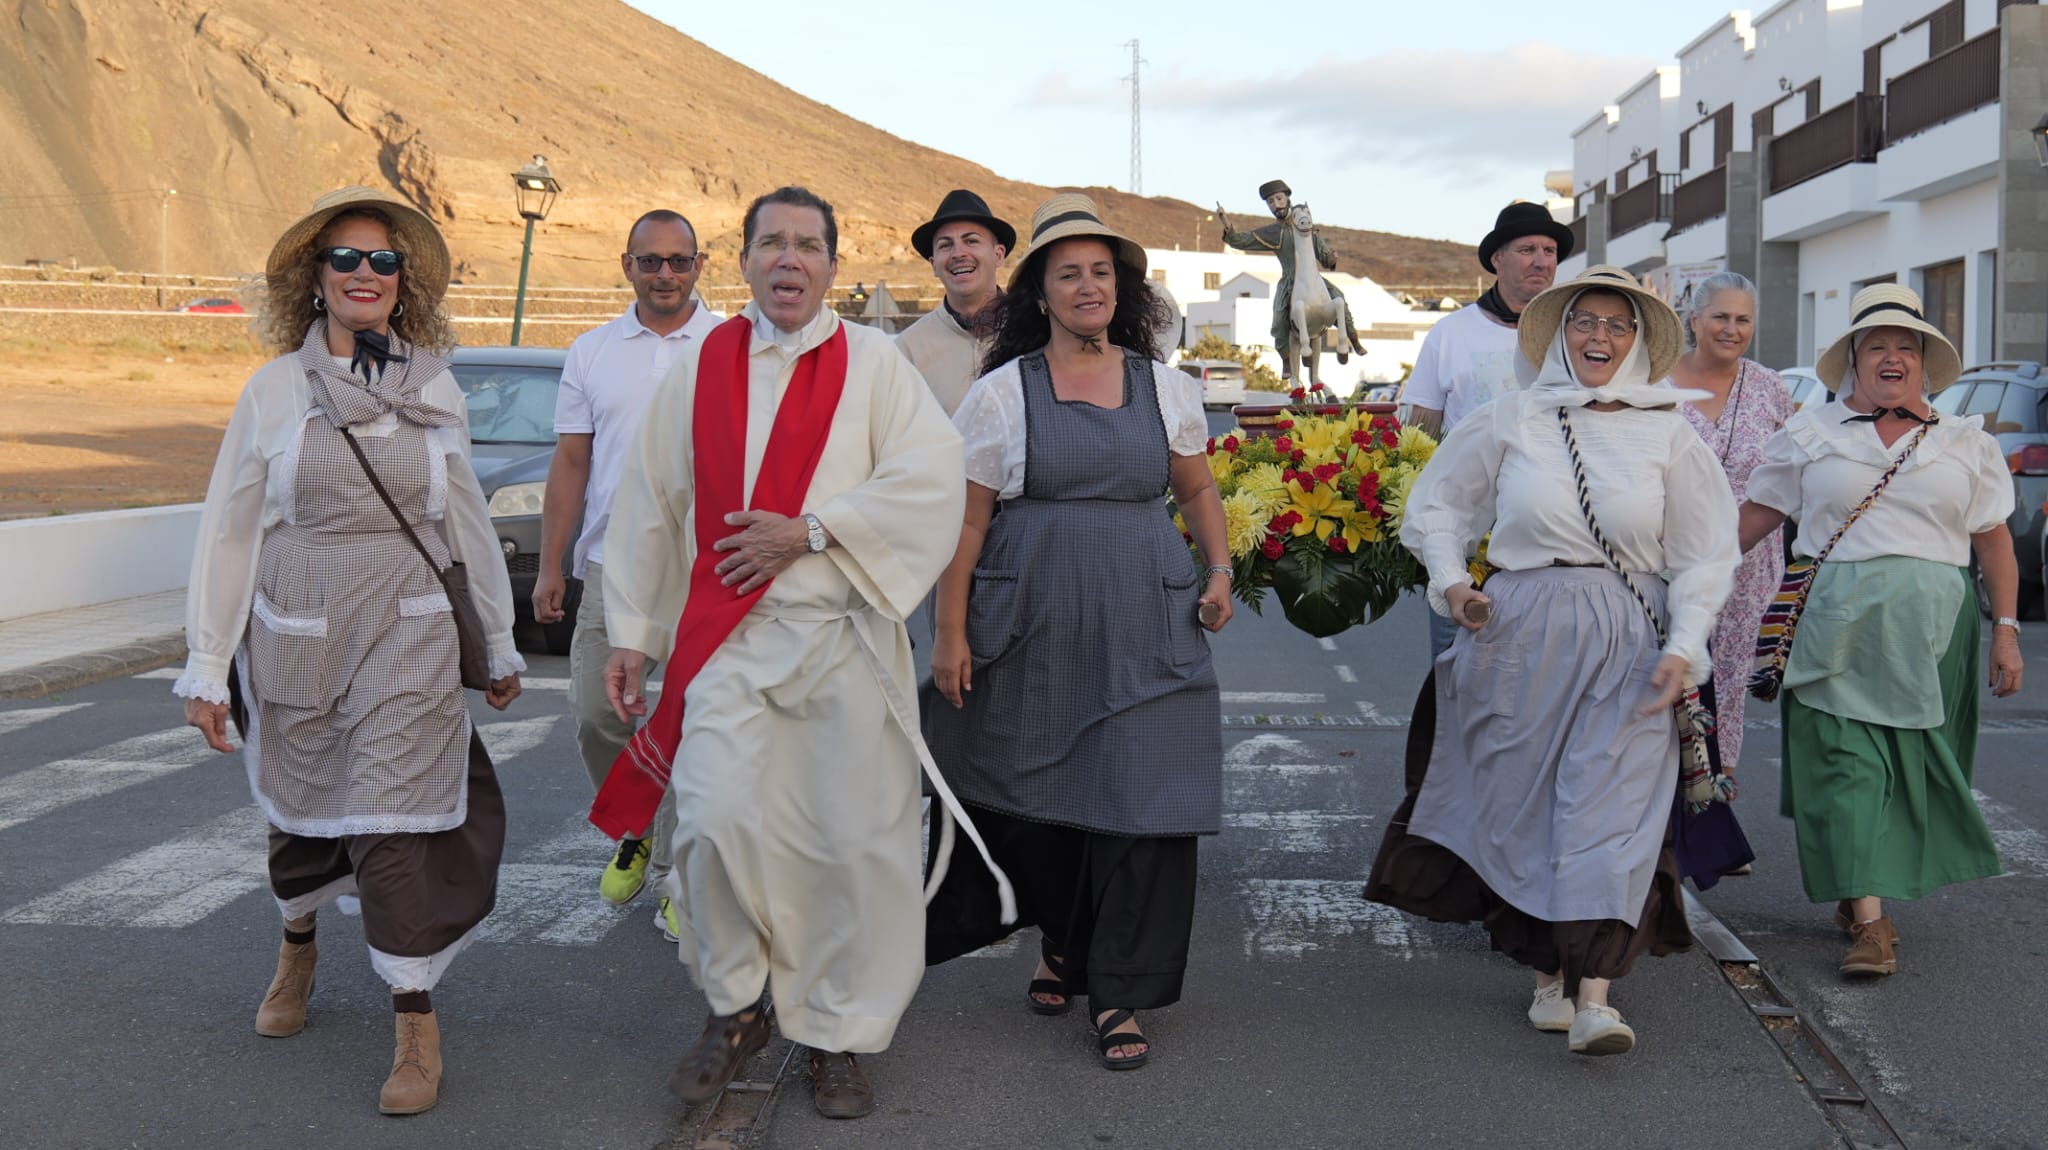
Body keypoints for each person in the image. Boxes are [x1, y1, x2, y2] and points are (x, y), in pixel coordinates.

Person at [592, 186, 979, 1120]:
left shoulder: (877, 366)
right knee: (717, 827)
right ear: (747, 261)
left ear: (833, 266)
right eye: (772, 243)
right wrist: (635, 634)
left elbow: (928, 484)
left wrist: (810, 532)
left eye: (809, 245)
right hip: (731, 645)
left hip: (844, 646)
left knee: (848, 849)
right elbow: (651, 500)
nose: (790, 260)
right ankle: (736, 1008)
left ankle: (836, 1033)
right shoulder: (700, 368)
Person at [175, 186, 525, 1115]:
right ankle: (298, 946)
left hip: (408, 628)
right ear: (316, 280)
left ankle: (415, 1023)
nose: (365, 274)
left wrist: (495, 641)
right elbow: (231, 530)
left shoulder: (435, 383)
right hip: (297, 621)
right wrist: (208, 664)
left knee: (396, 820)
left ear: (404, 284)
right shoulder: (274, 390)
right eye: (346, 259)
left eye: (383, 261)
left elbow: (465, 523)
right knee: (301, 811)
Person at [1367, 266, 1740, 1057]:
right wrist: (1454, 584)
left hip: (1631, 633)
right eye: (1585, 322)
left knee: (1612, 809)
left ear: (1639, 341)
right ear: (1561, 335)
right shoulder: (1514, 420)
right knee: (1525, 805)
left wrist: (1685, 645)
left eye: (1617, 325)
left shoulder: (1671, 430)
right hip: (1523, 626)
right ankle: (1547, 977)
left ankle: (1598, 995)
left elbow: (1707, 553)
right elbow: (1437, 509)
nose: (1599, 337)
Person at [923, 193, 1233, 1071]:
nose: (1088, 285)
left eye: (1102, 271)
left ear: (1123, 288)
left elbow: (1198, 489)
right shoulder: (999, 396)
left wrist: (1218, 570)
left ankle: (1120, 989)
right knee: (1043, 806)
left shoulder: (1165, 388)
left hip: (1147, 616)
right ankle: (1061, 936)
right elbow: (967, 521)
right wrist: (951, 632)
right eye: (1069, 274)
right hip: (1034, 622)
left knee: (1146, 802)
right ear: (1041, 293)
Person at [1736, 284, 2024, 979]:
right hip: (1835, 626)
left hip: (1932, 636)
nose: (1892, 357)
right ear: (1854, 361)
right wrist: (1675, 574)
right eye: (1877, 346)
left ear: (1925, 364)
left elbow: (1994, 544)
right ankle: (1872, 920)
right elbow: (1752, 522)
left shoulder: (1964, 443)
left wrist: (2007, 631)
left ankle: (1856, 883)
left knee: (1902, 773)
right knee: (1846, 766)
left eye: (1906, 347)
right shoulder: (1810, 435)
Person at [532, 209, 722, 938]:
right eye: (650, 261)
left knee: (692, 723)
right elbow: (572, 461)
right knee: (596, 714)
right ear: (627, 265)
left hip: (705, 570)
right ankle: (636, 822)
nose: (665, 274)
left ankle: (676, 873)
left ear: (699, 265)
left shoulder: (734, 345)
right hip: (613, 566)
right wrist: (553, 563)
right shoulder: (591, 351)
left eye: (678, 261)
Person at [1397, 201, 1573, 657]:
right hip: (1466, 533)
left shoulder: (1575, 334)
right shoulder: (1451, 333)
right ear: (1497, 259)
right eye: (1527, 249)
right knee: (1457, 665)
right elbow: (1418, 434)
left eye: (1550, 250)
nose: (1541, 260)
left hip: (1552, 532)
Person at [1217, 178, 1362, 373]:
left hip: (1314, 279)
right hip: (1290, 281)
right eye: (1270, 202)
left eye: (1278, 198)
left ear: (1287, 198)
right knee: (1278, 316)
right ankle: (1286, 358)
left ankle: (1352, 339)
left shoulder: (1305, 225)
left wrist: (1331, 257)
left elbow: (1324, 255)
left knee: (1339, 299)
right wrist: (1226, 222)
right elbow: (1241, 240)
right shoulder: (1273, 233)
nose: (1276, 204)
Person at [896, 189, 1014, 417]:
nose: (958, 253)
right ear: (933, 264)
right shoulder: (907, 350)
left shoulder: (1037, 331)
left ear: (998, 255)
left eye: (971, 241)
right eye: (945, 245)